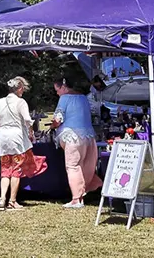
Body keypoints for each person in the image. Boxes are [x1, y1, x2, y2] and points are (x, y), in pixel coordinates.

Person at [0, 76, 47, 211]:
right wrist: (31, 133)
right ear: (19, 89)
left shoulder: (0, 101)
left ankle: (2, 199)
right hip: (16, 135)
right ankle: (12, 201)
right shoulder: (21, 102)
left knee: (5, 169)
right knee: (16, 168)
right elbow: (28, 120)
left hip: (3, 136)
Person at [50, 73, 102, 209]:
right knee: (85, 164)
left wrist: (53, 126)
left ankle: (76, 199)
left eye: (57, 90)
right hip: (88, 136)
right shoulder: (83, 98)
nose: (57, 93)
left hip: (72, 136)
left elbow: (58, 119)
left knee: (73, 166)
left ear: (63, 87)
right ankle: (82, 194)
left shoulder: (64, 98)